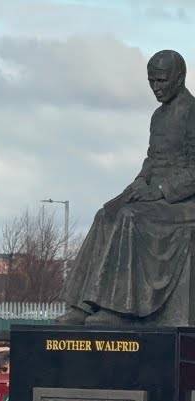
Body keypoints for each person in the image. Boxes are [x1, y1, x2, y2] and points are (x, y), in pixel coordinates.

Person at [61, 50, 195, 325]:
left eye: (161, 80)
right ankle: (85, 304)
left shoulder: (192, 112)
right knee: (105, 214)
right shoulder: (158, 116)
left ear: (180, 78)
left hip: (183, 203)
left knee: (129, 216)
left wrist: (159, 190)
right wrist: (139, 183)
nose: (156, 87)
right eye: (151, 81)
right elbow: (151, 160)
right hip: (156, 196)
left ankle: (118, 308)